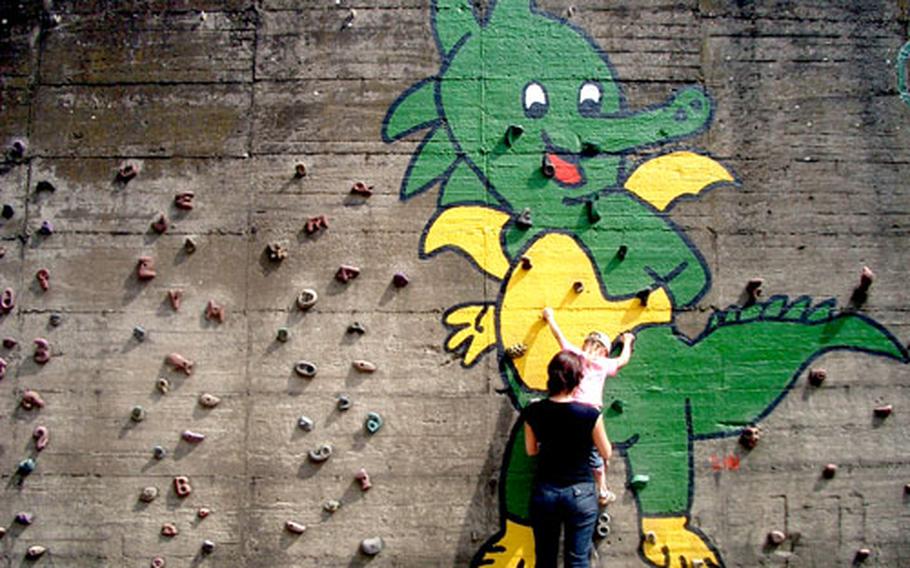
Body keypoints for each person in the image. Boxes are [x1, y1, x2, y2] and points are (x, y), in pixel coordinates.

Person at [522, 350, 612, 568]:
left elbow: (531, 451)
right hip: (580, 493)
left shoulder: (533, 411)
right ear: (577, 379)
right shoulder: (590, 414)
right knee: (578, 560)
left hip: (546, 492)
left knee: (545, 559)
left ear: (551, 377)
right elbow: (606, 452)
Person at [541, 307, 635, 506]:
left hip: (571, 408)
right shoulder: (604, 363)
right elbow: (623, 360)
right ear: (605, 350)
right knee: (595, 451)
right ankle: (602, 488)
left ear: (586, 343)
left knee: (565, 443)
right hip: (591, 413)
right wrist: (627, 341)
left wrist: (550, 318)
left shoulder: (576, 355)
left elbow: (560, 338)